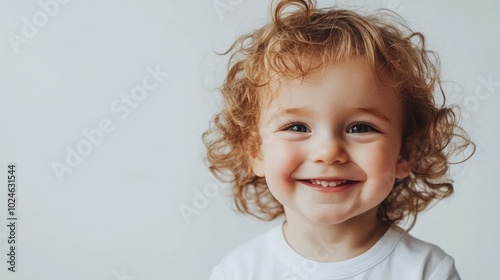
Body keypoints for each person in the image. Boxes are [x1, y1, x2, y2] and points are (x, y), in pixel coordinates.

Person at [203, 0, 475, 279]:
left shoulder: (426, 270)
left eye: (359, 128)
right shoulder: (238, 272)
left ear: (405, 153)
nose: (328, 151)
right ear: (256, 150)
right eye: (297, 127)